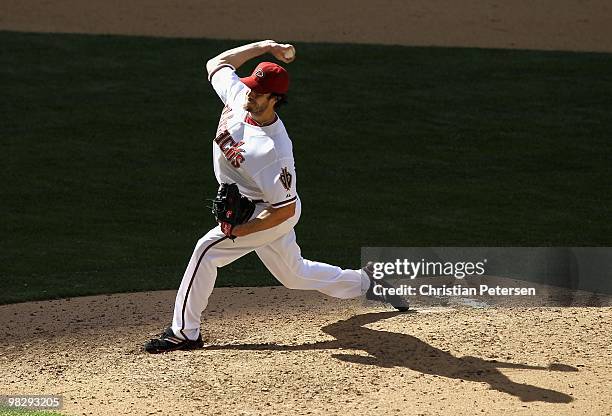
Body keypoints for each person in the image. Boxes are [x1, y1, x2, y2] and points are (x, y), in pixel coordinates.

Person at [144, 40, 408, 354]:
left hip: (269, 211)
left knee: (206, 251)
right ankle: (369, 282)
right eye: (250, 87)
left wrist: (239, 230)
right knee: (294, 274)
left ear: (275, 99)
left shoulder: (274, 152)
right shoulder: (239, 96)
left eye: (258, 92)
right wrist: (265, 47)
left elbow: (284, 210)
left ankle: (184, 333)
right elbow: (216, 63)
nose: (250, 94)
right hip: (249, 202)